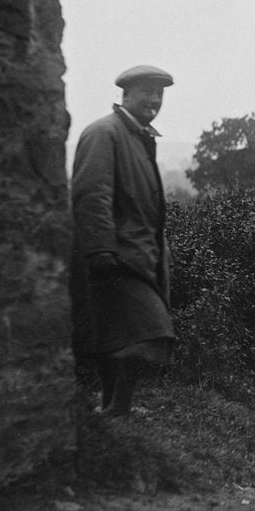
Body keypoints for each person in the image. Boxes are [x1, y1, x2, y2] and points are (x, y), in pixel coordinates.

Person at [70, 65, 176, 416]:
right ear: (126, 95)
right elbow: (91, 193)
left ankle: (114, 405)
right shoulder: (104, 133)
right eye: (147, 92)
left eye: (159, 94)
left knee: (116, 331)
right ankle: (117, 404)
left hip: (140, 254)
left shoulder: (140, 137)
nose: (154, 100)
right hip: (115, 253)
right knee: (148, 328)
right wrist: (101, 247)